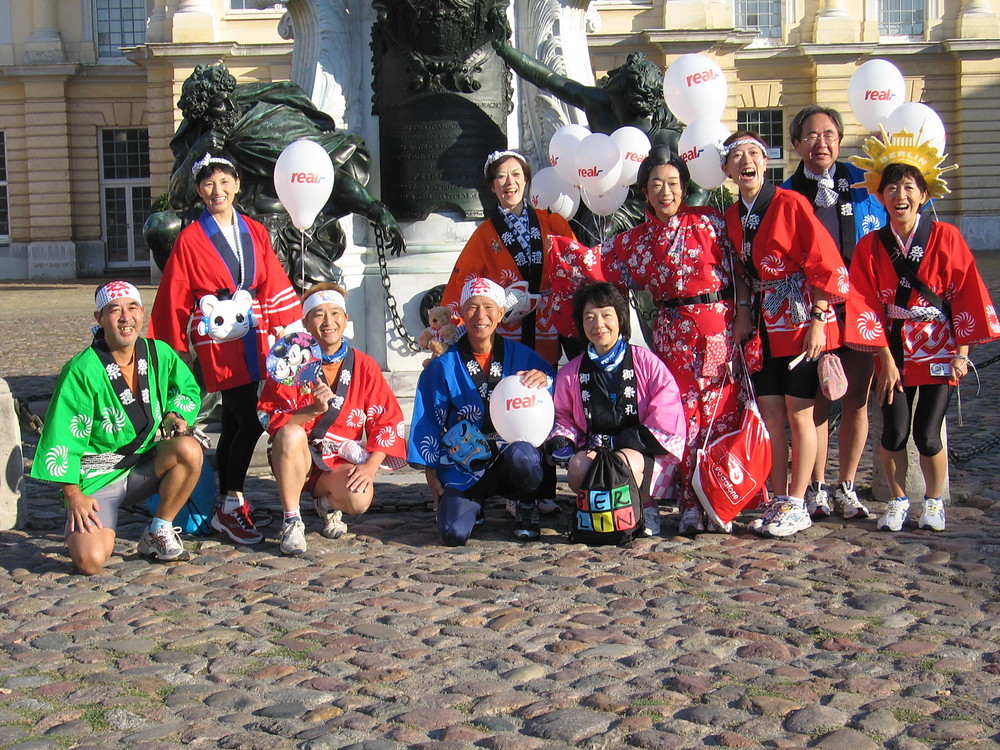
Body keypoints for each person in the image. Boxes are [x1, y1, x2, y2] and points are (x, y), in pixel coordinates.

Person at [548, 147, 752, 534]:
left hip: (721, 326)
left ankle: (721, 498)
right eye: (656, 184)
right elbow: (594, 263)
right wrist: (558, 249)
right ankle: (690, 502)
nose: (665, 191)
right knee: (683, 418)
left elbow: (742, 267)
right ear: (644, 191)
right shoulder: (637, 240)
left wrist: (743, 310)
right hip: (673, 330)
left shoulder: (712, 222)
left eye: (673, 183)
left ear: (685, 186)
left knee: (723, 413)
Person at [845, 132, 1000, 532]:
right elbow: (864, 302)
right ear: (880, 195)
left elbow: (965, 292)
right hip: (894, 346)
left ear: (924, 193)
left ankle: (933, 501)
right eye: (891, 186)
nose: (900, 194)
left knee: (929, 434)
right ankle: (897, 499)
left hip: (938, 346)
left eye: (909, 187)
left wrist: (962, 353)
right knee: (894, 432)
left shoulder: (946, 237)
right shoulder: (870, 246)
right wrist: (884, 359)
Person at [148, 154, 304, 546]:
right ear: (199, 190)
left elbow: (272, 280)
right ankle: (231, 503)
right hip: (218, 336)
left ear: (237, 184)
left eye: (223, 182)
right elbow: (175, 294)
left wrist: (292, 328)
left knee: (235, 422)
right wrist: (170, 349)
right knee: (251, 419)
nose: (216, 191)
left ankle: (225, 499)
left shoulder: (254, 230)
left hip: (255, 332)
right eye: (207, 184)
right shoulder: (189, 239)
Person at [721, 131, 850, 538]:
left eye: (754, 153)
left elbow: (825, 263)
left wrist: (819, 317)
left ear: (766, 162)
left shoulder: (790, 203)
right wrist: (743, 310)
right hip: (764, 324)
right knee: (772, 415)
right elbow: (741, 273)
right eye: (737, 156)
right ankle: (778, 498)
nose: (746, 161)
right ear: (726, 170)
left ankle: (798, 501)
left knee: (800, 415)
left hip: (801, 318)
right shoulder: (730, 216)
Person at [30, 282, 203, 575]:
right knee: (90, 561)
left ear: (142, 313)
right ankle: (82, 525)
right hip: (96, 479)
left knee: (189, 450)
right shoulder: (81, 370)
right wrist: (73, 495)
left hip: (142, 466)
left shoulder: (158, 353)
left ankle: (158, 531)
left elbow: (187, 387)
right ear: (99, 319)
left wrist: (175, 413)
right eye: (114, 309)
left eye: (132, 307)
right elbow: (62, 437)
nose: (126, 317)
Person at [442, 150, 576, 517]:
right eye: (501, 177)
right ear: (491, 186)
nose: (510, 183)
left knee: (543, 395)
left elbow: (576, 264)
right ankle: (514, 486)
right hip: (511, 331)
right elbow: (464, 281)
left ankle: (544, 485)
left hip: (548, 322)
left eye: (516, 175)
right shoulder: (485, 235)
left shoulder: (552, 223)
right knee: (513, 401)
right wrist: (450, 321)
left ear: (527, 179)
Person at [783, 105, 886, 520]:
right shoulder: (788, 193)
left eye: (828, 134)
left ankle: (846, 484)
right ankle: (817, 486)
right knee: (820, 400)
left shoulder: (864, 187)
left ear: (839, 140)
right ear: (796, 144)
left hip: (859, 307)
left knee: (857, 400)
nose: (820, 142)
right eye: (810, 135)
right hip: (813, 313)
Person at [258, 284, 407, 555]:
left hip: (337, 462)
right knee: (291, 433)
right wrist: (313, 411)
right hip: (296, 457)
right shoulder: (291, 363)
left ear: (346, 319)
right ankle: (292, 520)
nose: (329, 322)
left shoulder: (364, 365)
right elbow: (270, 418)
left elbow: (387, 419)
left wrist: (370, 467)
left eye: (335, 313)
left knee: (360, 498)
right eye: (318, 315)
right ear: (305, 322)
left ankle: (326, 504)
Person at [408, 277, 555, 546]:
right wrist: (430, 468)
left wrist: (546, 381)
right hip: (465, 462)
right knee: (453, 532)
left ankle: (525, 503)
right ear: (461, 313)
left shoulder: (522, 356)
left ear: (501, 313)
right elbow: (427, 414)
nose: (481, 315)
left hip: (512, 455)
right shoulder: (444, 364)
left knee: (525, 456)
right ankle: (475, 504)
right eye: (472, 308)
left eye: (489, 307)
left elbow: (554, 387)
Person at [546, 282, 686, 533]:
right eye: (589, 317)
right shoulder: (571, 372)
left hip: (638, 452)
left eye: (606, 315)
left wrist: (625, 441)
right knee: (578, 467)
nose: (598, 324)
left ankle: (645, 507)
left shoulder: (646, 362)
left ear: (620, 319)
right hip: (595, 447)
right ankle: (597, 511)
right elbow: (563, 417)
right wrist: (562, 441)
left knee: (623, 461)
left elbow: (667, 414)